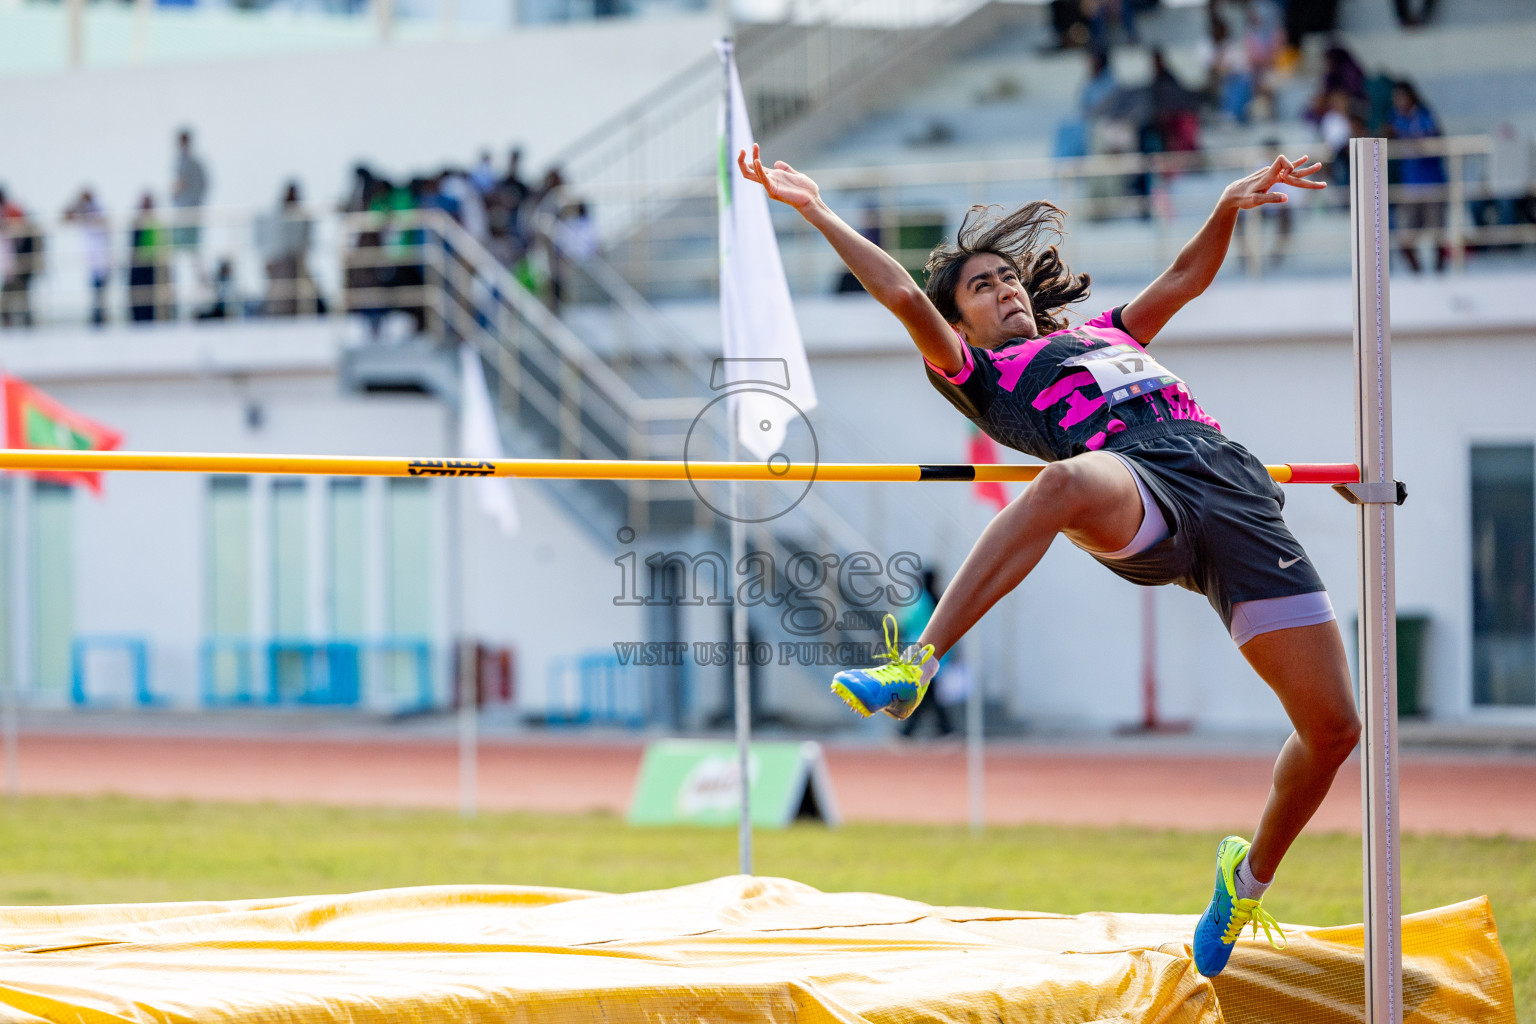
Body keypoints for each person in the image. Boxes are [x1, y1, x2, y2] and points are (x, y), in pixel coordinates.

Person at [739, 143, 1353, 979]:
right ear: (960, 322)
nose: (1005, 290)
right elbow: (896, 293)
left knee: (1333, 729)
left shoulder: (1107, 332)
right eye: (982, 286)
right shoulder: (980, 373)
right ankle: (915, 663)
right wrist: (814, 208)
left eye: (1009, 278)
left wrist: (1226, 210)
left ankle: (1244, 881)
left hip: (1233, 488)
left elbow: (1182, 279)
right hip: (1132, 486)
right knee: (1062, 481)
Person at [1387, 79, 1449, 273]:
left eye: (1402, 96)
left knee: (1438, 233)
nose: (1399, 101)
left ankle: (1439, 274)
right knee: (1405, 236)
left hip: (1432, 182)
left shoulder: (1425, 115)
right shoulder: (1395, 118)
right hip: (1410, 185)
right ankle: (1418, 274)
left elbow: (1432, 137)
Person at [63, 188, 112, 326]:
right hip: (91, 260)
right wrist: (77, 205)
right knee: (94, 291)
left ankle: (101, 319)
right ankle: (96, 318)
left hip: (103, 258)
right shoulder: (81, 211)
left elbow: (104, 222)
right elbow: (65, 216)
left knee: (101, 292)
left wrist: (86, 213)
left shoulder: (98, 210)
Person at [128, 192, 169, 323]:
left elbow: (161, 244)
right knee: (139, 297)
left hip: (152, 265)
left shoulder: (156, 222)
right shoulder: (137, 222)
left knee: (152, 298)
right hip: (139, 266)